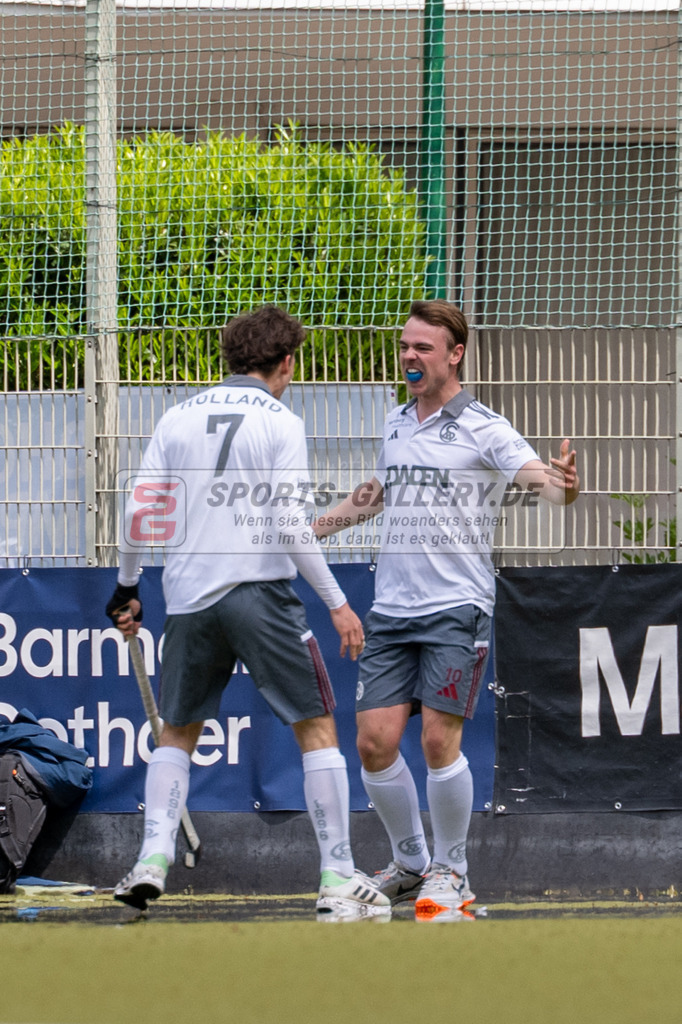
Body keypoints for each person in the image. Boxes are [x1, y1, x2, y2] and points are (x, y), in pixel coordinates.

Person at [105, 305, 390, 922]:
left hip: (187, 597)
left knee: (177, 734)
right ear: (286, 363)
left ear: (229, 357)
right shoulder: (281, 421)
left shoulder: (176, 417)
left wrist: (127, 588)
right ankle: (338, 874)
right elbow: (291, 522)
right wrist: (338, 603)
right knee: (316, 729)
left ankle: (152, 859)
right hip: (261, 594)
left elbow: (137, 513)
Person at [313, 299, 580, 922]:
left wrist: (564, 482)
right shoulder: (396, 421)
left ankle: (452, 872)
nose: (409, 356)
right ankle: (410, 864)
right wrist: (311, 528)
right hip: (392, 609)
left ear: (454, 355)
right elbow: (379, 492)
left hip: (458, 607)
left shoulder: (486, 426)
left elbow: (544, 484)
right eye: (406, 346)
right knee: (374, 743)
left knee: (438, 740)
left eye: (423, 348)